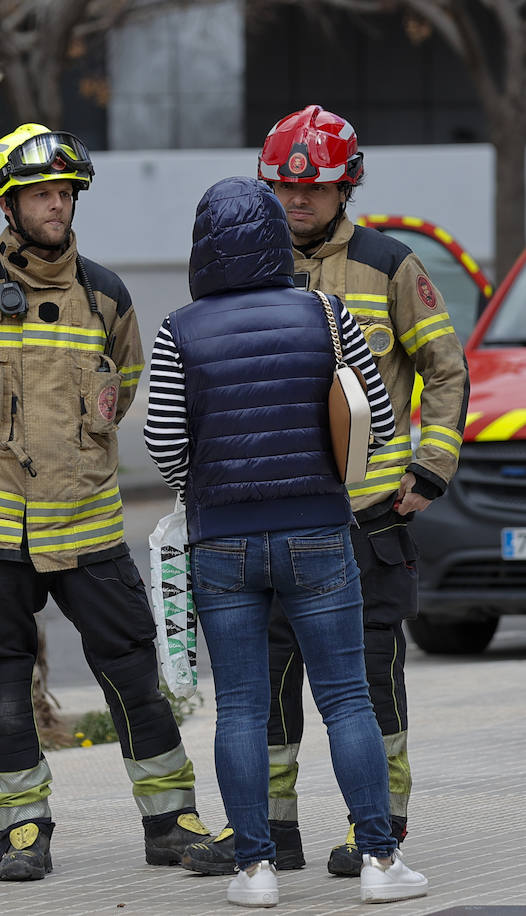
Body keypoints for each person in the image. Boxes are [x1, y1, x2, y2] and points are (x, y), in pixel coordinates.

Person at [0, 123, 213, 883]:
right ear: (7, 205)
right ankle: (22, 832)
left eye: (65, 193)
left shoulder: (107, 295)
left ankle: (172, 821)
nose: (56, 206)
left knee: (133, 672)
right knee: (3, 683)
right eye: (40, 193)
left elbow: (122, 385)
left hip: (87, 524)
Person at [180, 105, 469, 878]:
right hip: (277, 518)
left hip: (367, 519)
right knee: (268, 690)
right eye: (283, 187)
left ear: (348, 187)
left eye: (315, 189)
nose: (296, 201)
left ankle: (379, 830)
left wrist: (429, 471)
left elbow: (443, 368)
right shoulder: (242, 267)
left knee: (369, 684)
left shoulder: (389, 265)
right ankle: (271, 835)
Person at [145, 175, 429, 907]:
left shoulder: (180, 328)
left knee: (240, 706)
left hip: (222, 544)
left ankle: (255, 871)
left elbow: (163, 441)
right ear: (274, 236)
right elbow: (379, 424)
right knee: (347, 700)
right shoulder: (327, 314)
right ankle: (378, 862)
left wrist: (207, 489)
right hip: (319, 534)